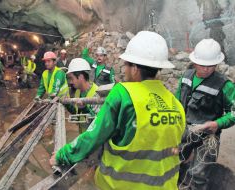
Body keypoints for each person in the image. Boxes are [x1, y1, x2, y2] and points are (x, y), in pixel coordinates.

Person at [50, 31, 186, 189]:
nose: (125, 69)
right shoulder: (175, 103)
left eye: (126, 65)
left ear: (135, 68)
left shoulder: (123, 94)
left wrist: (61, 155)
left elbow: (93, 136)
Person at [176, 39, 235, 190]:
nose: (207, 69)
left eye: (211, 65)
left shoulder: (224, 85)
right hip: (184, 130)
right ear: (194, 62)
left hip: (209, 136)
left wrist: (218, 124)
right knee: (174, 161)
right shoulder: (186, 77)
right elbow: (176, 102)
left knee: (200, 173)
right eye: (203, 65)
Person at [66, 58, 99, 134]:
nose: (70, 82)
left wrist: (84, 108)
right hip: (84, 137)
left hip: (94, 141)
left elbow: (98, 122)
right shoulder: (78, 91)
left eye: (72, 78)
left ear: (80, 77)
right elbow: (77, 113)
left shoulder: (96, 93)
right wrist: (67, 104)